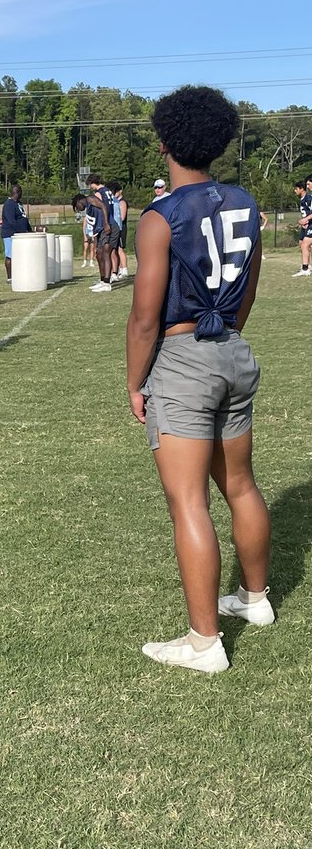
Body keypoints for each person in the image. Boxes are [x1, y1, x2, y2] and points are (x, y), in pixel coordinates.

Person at [126, 85, 271, 674]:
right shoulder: (246, 204)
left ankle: (204, 642)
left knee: (188, 499)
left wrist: (135, 382)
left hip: (184, 358)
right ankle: (255, 599)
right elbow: (248, 292)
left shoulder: (159, 217)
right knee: (240, 484)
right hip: (232, 348)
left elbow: (144, 318)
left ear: (164, 142)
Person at [0, 183, 31, 281]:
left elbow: (24, 218)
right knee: (10, 256)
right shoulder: (9, 204)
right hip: (10, 234)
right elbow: (11, 221)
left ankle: (19, 275)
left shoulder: (18, 203)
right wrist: (22, 231)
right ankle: (10, 277)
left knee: (20, 256)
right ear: (17, 192)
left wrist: (29, 230)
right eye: (21, 191)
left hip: (19, 234)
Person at [108, 181, 130, 279]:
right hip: (116, 228)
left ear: (120, 191)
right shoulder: (114, 202)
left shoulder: (122, 202)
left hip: (121, 228)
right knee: (115, 250)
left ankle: (124, 269)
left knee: (120, 249)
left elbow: (122, 217)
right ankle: (119, 269)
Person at [292, 178, 312, 276]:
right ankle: (307, 266)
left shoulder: (309, 198)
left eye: (296, 189)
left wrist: (306, 220)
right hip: (307, 225)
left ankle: (305, 268)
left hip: (310, 225)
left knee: (305, 245)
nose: (294, 191)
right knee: (302, 244)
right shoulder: (302, 199)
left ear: (301, 189)